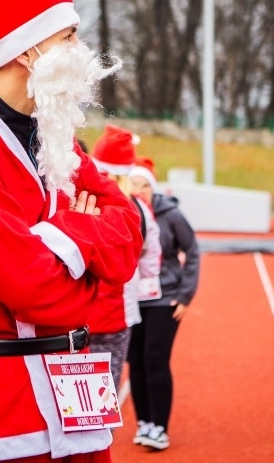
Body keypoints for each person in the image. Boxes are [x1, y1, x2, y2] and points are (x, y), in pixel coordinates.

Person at [0, 0, 143, 463]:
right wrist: (84, 257)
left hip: (81, 395)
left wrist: (51, 239)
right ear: (27, 50)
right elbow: (34, 289)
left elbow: (130, 232)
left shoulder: (58, 135)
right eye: (69, 36)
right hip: (3, 409)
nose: (81, 49)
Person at [128, 157, 199, 450]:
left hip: (164, 298)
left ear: (153, 188)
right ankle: (144, 422)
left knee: (156, 359)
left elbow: (192, 251)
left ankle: (160, 427)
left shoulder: (170, 214)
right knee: (136, 362)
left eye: (145, 185)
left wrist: (185, 295)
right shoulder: (124, 211)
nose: (139, 190)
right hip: (132, 298)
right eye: (134, 185)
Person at [89, 125, 162, 388]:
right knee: (107, 388)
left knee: (72, 395)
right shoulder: (138, 206)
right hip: (117, 312)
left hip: (73, 311)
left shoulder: (77, 192)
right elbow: (152, 254)